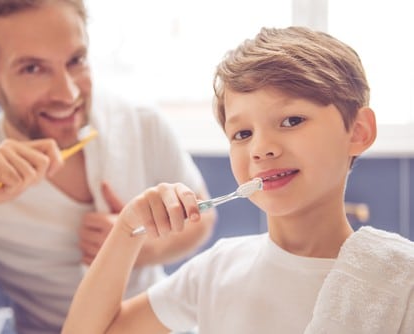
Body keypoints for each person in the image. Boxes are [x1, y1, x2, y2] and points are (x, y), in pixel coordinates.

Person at [61, 26, 414, 334]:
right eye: (242, 133)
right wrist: (127, 230)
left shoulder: (399, 283)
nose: (260, 149)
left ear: (358, 131)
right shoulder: (217, 270)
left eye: (291, 121)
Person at [0, 0, 217, 332]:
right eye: (33, 69)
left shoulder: (141, 123)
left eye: (76, 60)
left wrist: (144, 246)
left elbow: (204, 217)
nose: (68, 92)